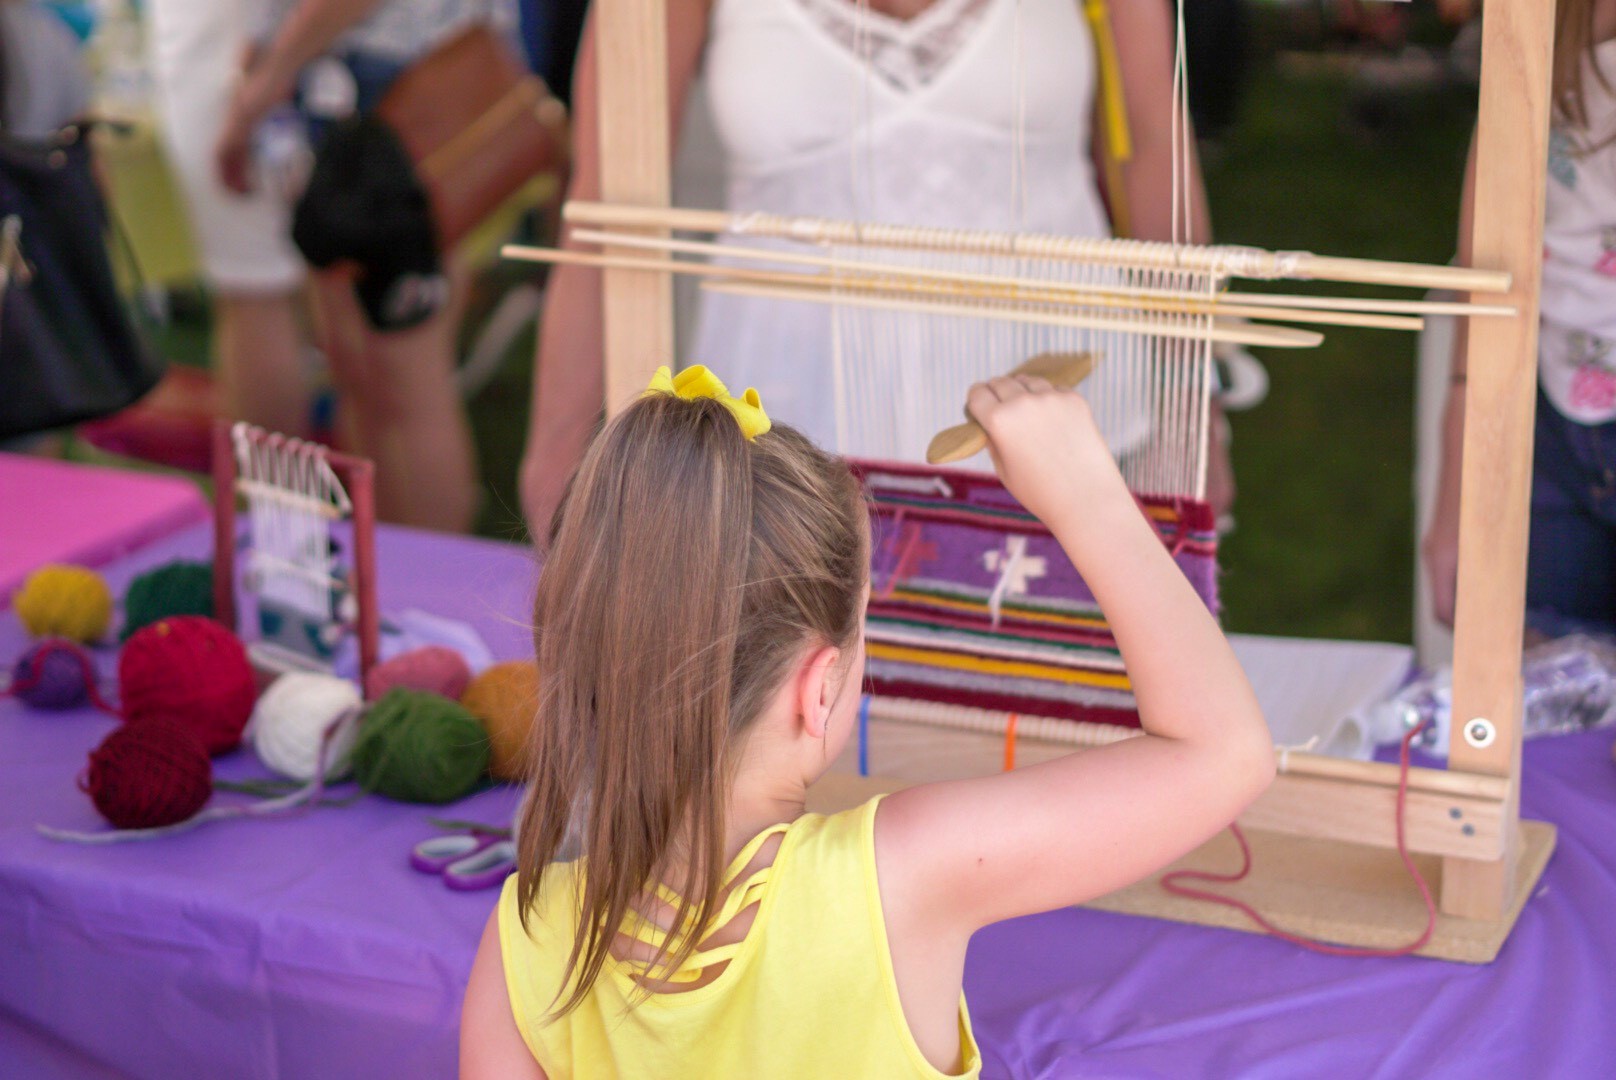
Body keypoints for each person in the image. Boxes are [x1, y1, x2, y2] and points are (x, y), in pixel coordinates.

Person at [461, 367, 1273, 1077]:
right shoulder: (899, 878)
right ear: (819, 690)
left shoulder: (524, 942)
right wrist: (1087, 492)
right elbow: (1224, 752)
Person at [518, 0, 1232, 538]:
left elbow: (1151, 152)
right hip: (778, 461)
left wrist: (1194, 403)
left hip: (1071, 432)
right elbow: (606, 210)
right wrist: (558, 457)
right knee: (779, 722)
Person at [207, 0, 519, 531]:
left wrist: (262, 84)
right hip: (349, 83)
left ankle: (424, 590)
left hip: (400, 84)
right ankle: (388, 578)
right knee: (362, 370)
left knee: (404, 381)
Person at [1424, 0, 1616, 638]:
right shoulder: (1540, 14)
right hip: (1546, 421)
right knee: (1544, 700)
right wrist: (1461, 471)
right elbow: (1492, 246)